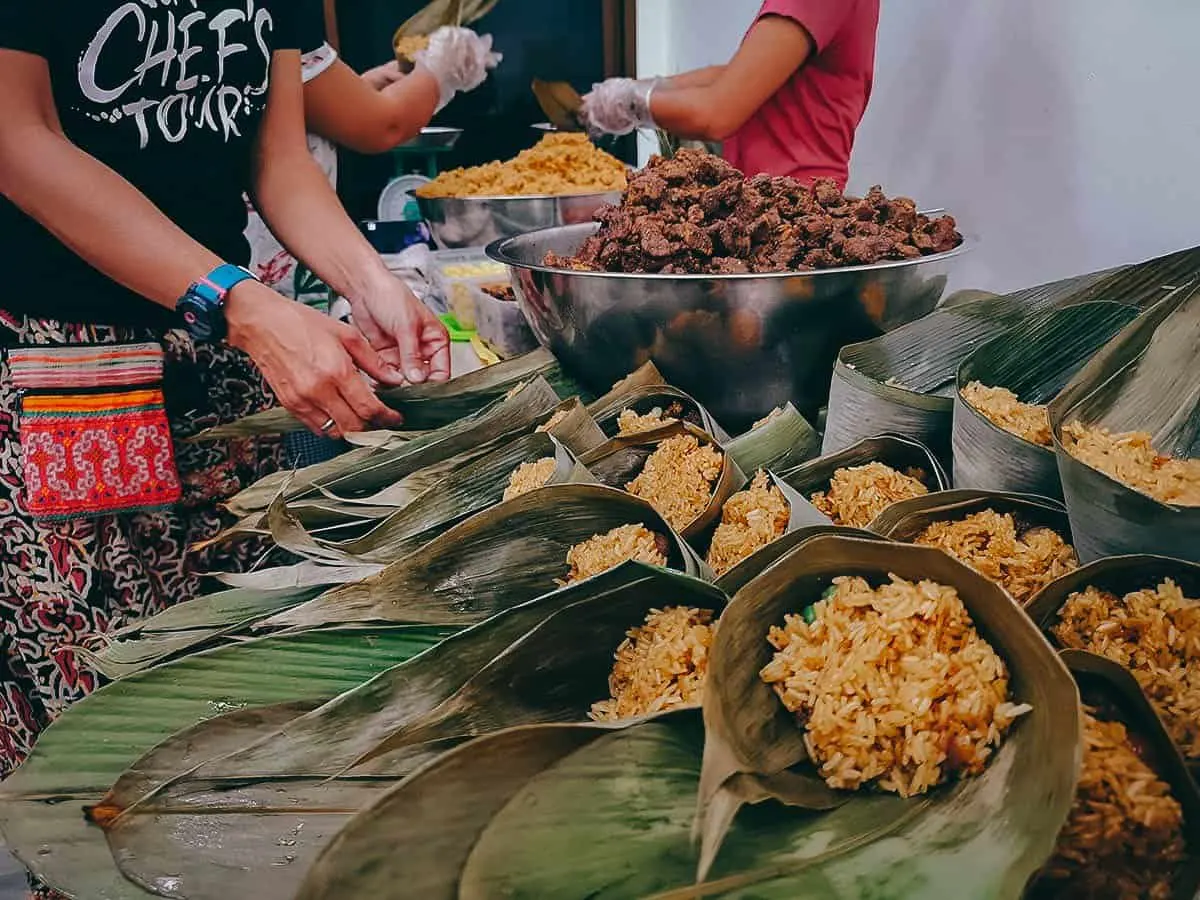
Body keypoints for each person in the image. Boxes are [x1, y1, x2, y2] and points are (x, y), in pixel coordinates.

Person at [0, 1, 494, 778]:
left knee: (241, 701)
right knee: (103, 736)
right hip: (67, 363)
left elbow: (278, 157)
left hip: (223, 357)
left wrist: (370, 284)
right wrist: (236, 302)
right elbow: (19, 140)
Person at [243, 14, 499, 466]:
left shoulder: (280, 18)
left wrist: (372, 284)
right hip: (224, 304)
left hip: (284, 286)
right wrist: (438, 73)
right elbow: (381, 123)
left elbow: (280, 155)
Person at [580, 0, 880, 189]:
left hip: (797, 209)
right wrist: (643, 88)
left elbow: (716, 114)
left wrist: (630, 105)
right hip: (765, 201)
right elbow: (736, 77)